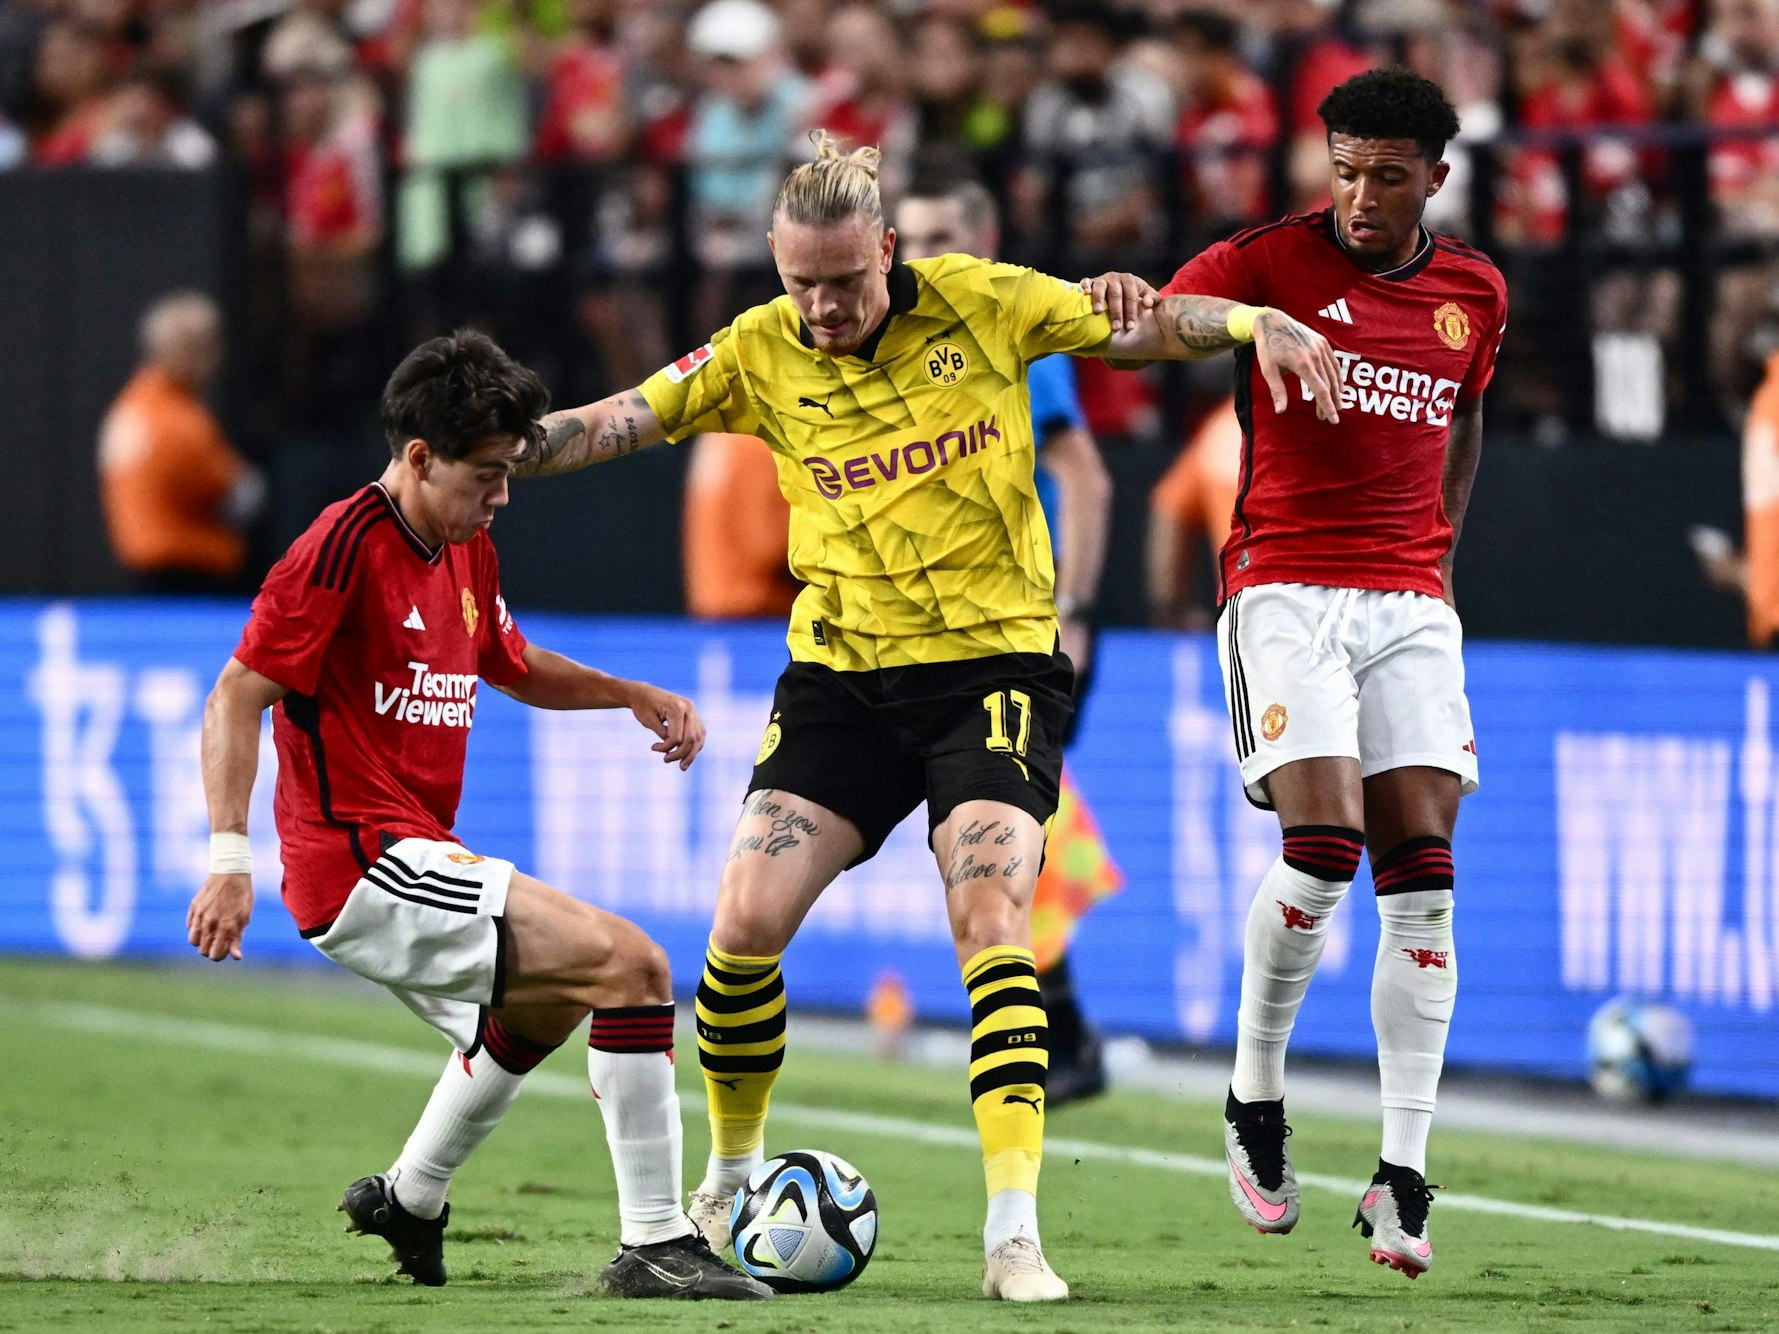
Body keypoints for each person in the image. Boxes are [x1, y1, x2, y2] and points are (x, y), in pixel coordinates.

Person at [518, 130, 1330, 1301]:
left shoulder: (983, 304)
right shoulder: (756, 349)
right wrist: (503, 444)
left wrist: (1252, 321)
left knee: (991, 915)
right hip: (843, 678)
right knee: (742, 924)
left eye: (843, 281)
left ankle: (1012, 1234)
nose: (822, 305)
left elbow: (1146, 325)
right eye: (799, 281)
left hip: (990, 670)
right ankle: (728, 1180)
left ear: (888, 251)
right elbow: (616, 421)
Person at [182, 330, 771, 1302]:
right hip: (361, 862)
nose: (502, 494)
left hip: (415, 848)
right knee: (634, 966)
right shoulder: (338, 547)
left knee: (536, 1007)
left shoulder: (467, 549)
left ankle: (411, 1195)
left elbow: (510, 660)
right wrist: (230, 857)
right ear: (420, 457)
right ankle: (657, 1242)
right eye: (489, 474)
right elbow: (236, 695)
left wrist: (628, 692)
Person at [1153, 68, 1507, 1277]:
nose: (1360, 196)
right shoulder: (1269, 260)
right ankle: (1256, 1093)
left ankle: (1402, 1171)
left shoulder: (1475, 293)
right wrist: (1247, 324)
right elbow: (1154, 325)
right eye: (1345, 169)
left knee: (1426, 878)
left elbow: (1463, 419)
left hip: (1409, 598)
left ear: (1435, 178)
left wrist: (1443, 559)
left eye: (1388, 175)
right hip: (1285, 585)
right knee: (1325, 848)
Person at [894, 174, 1120, 1105]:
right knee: (995, 834)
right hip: (948, 631)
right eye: (908, 238)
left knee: (1001, 833)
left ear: (984, 239)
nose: (922, 255)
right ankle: (1063, 1030)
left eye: (942, 232)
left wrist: (1076, 611)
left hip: (1024, 632)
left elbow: (1088, 481)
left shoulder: (1013, 332)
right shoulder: (907, 339)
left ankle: (1062, 1036)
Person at [98, 293, 265, 594]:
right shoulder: (177, 420)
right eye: (203, 347)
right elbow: (235, 493)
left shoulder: (130, 405)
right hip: (190, 575)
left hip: (143, 569)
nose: (215, 358)